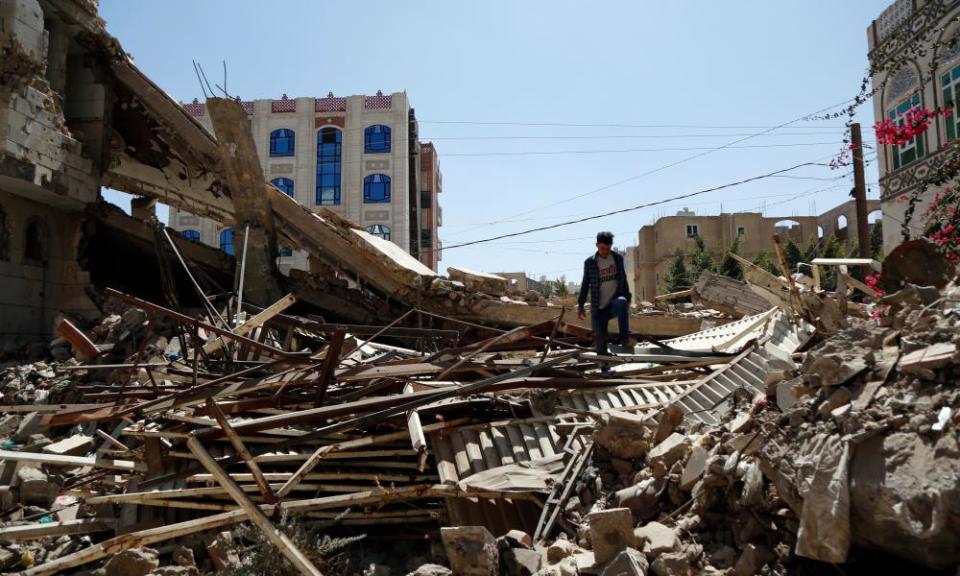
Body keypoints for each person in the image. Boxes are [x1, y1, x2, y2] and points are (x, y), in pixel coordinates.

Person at [577, 231, 636, 355]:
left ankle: (625, 338)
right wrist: (581, 305)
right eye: (602, 248)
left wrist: (628, 297)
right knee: (601, 346)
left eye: (608, 248)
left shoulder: (617, 259)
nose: (605, 251)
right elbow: (585, 284)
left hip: (612, 305)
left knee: (622, 301)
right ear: (597, 245)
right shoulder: (590, 263)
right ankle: (604, 372)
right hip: (598, 310)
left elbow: (623, 279)